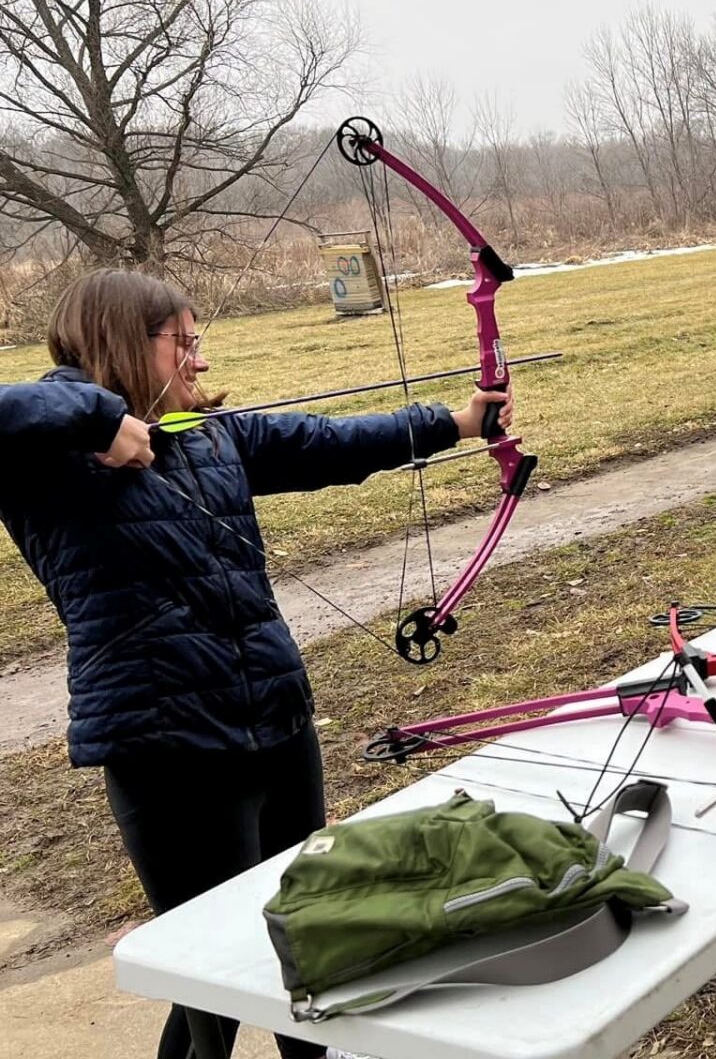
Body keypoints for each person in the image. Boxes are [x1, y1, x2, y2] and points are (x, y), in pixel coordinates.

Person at [0, 270, 511, 1059]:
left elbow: (324, 444)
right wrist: (103, 420)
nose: (199, 362)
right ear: (123, 341)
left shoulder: (206, 433)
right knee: (212, 975)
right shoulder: (43, 459)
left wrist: (452, 422)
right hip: (165, 747)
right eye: (184, 342)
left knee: (306, 935)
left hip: (276, 721)